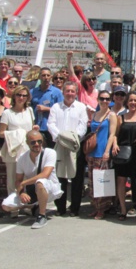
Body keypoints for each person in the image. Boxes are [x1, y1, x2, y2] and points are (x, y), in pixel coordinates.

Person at [1, 130, 63, 229]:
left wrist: (24, 183)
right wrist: (21, 193)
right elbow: (18, 180)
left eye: (39, 141)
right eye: (33, 142)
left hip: (50, 188)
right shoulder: (22, 158)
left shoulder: (50, 153)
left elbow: (45, 174)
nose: (37, 144)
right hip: (32, 190)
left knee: (40, 182)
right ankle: (31, 206)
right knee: (6, 205)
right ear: (27, 143)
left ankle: (42, 216)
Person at [47, 81, 88, 217]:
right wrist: (61, 138)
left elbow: (82, 126)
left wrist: (72, 138)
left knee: (76, 178)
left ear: (76, 93)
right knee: (60, 177)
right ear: (63, 92)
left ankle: (75, 208)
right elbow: (51, 124)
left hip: (75, 146)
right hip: (60, 145)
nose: (70, 93)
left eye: (72, 91)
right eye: (67, 91)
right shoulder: (55, 107)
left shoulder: (81, 107)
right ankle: (61, 207)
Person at [0, 84, 39, 208]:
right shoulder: (7, 113)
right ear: (14, 96)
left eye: (24, 95)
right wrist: (18, 134)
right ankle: (13, 206)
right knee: (12, 179)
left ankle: (27, 205)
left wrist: (34, 129)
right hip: (13, 149)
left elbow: (32, 128)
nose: (21, 98)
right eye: (19, 95)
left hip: (27, 149)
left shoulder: (30, 111)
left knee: (27, 178)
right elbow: (1, 133)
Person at [112, 91, 136, 221]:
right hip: (123, 152)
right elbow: (114, 134)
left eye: (135, 100)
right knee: (121, 180)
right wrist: (115, 145)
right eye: (131, 100)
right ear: (127, 102)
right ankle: (123, 209)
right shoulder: (121, 118)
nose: (133, 103)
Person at [86, 90, 117, 220]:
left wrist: (107, 151)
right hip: (92, 151)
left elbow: (112, 134)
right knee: (92, 181)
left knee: (102, 181)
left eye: (107, 99)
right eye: (102, 99)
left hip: (102, 152)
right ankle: (96, 206)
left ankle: (102, 209)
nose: (105, 101)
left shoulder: (112, 115)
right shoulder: (94, 114)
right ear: (98, 99)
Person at [31, 67, 63, 147]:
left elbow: (62, 110)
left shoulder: (57, 92)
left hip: (51, 129)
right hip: (36, 128)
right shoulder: (32, 92)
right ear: (39, 77)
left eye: (48, 75)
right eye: (43, 75)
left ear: (51, 77)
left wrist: (47, 109)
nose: (46, 78)